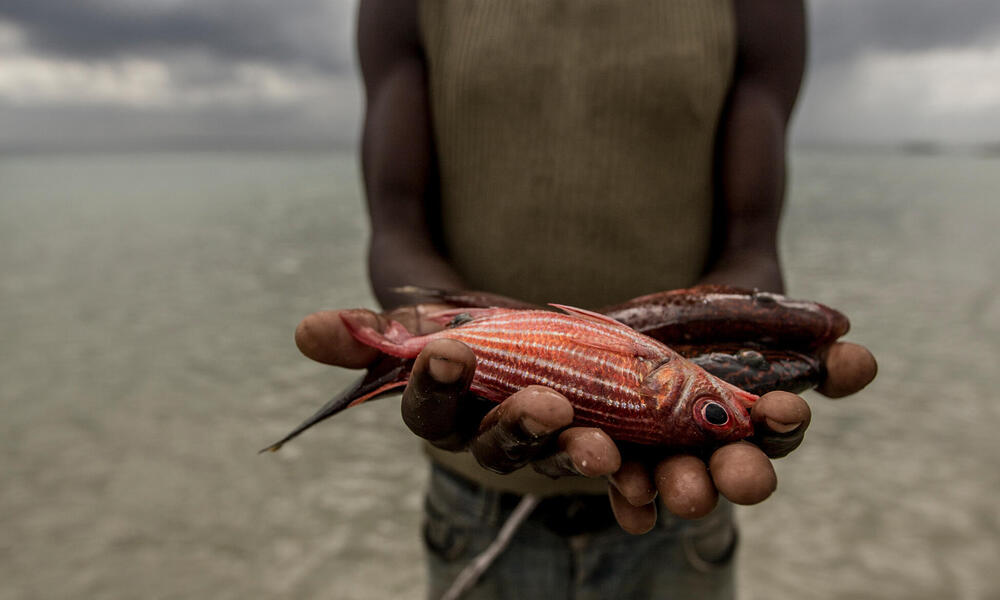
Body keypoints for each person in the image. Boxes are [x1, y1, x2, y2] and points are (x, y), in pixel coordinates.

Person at [294, 0, 877, 598]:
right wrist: (442, 333)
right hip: (471, 501)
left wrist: (743, 338)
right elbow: (396, 224)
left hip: (677, 523)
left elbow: (752, 239)